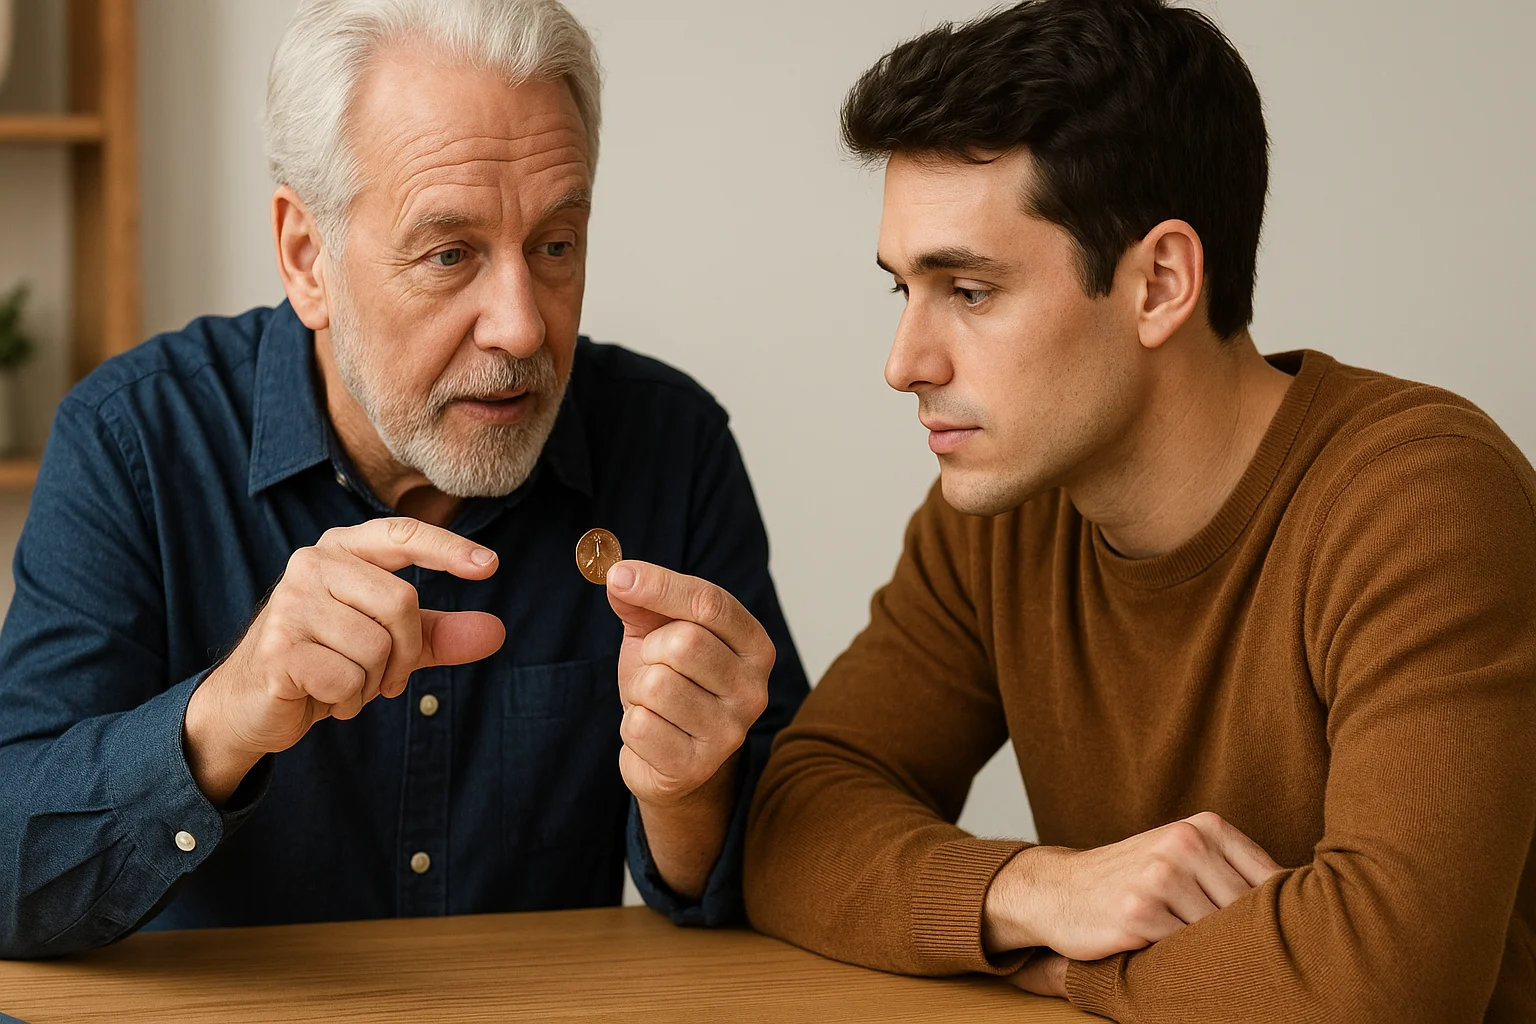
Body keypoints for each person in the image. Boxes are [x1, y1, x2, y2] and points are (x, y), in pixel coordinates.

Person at [742, 1, 1536, 1020]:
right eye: (904, 290)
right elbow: (795, 824)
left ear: (1159, 281)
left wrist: (1071, 968)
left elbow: (1386, 982)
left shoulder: (1424, 502)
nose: (905, 364)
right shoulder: (997, 516)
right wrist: (1040, 889)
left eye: (970, 291)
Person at [0, 0, 808, 958]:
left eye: (554, 246)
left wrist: (691, 796)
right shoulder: (136, 441)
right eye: (450, 254)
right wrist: (227, 712)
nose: (519, 326)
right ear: (309, 259)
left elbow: (787, 867)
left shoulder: (671, 444)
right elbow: (11, 875)